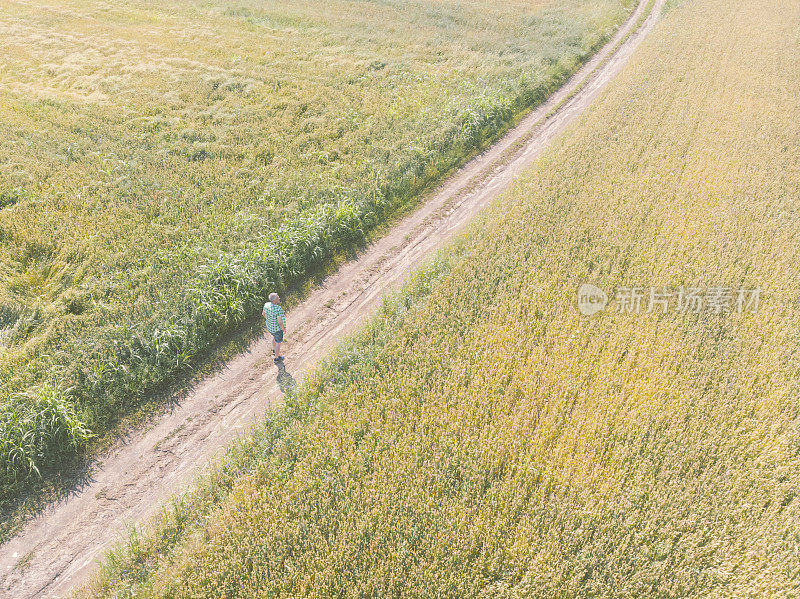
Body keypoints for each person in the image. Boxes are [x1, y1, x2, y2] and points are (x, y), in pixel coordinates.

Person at [263, 292, 287, 364]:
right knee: (278, 343)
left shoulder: (266, 305)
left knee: (274, 337)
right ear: (274, 300)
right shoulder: (278, 309)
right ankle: (276, 358)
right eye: (277, 298)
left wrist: (269, 320)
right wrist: (283, 329)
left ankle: (274, 350)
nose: (279, 298)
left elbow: (263, 314)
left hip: (270, 327)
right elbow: (280, 322)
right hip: (277, 329)